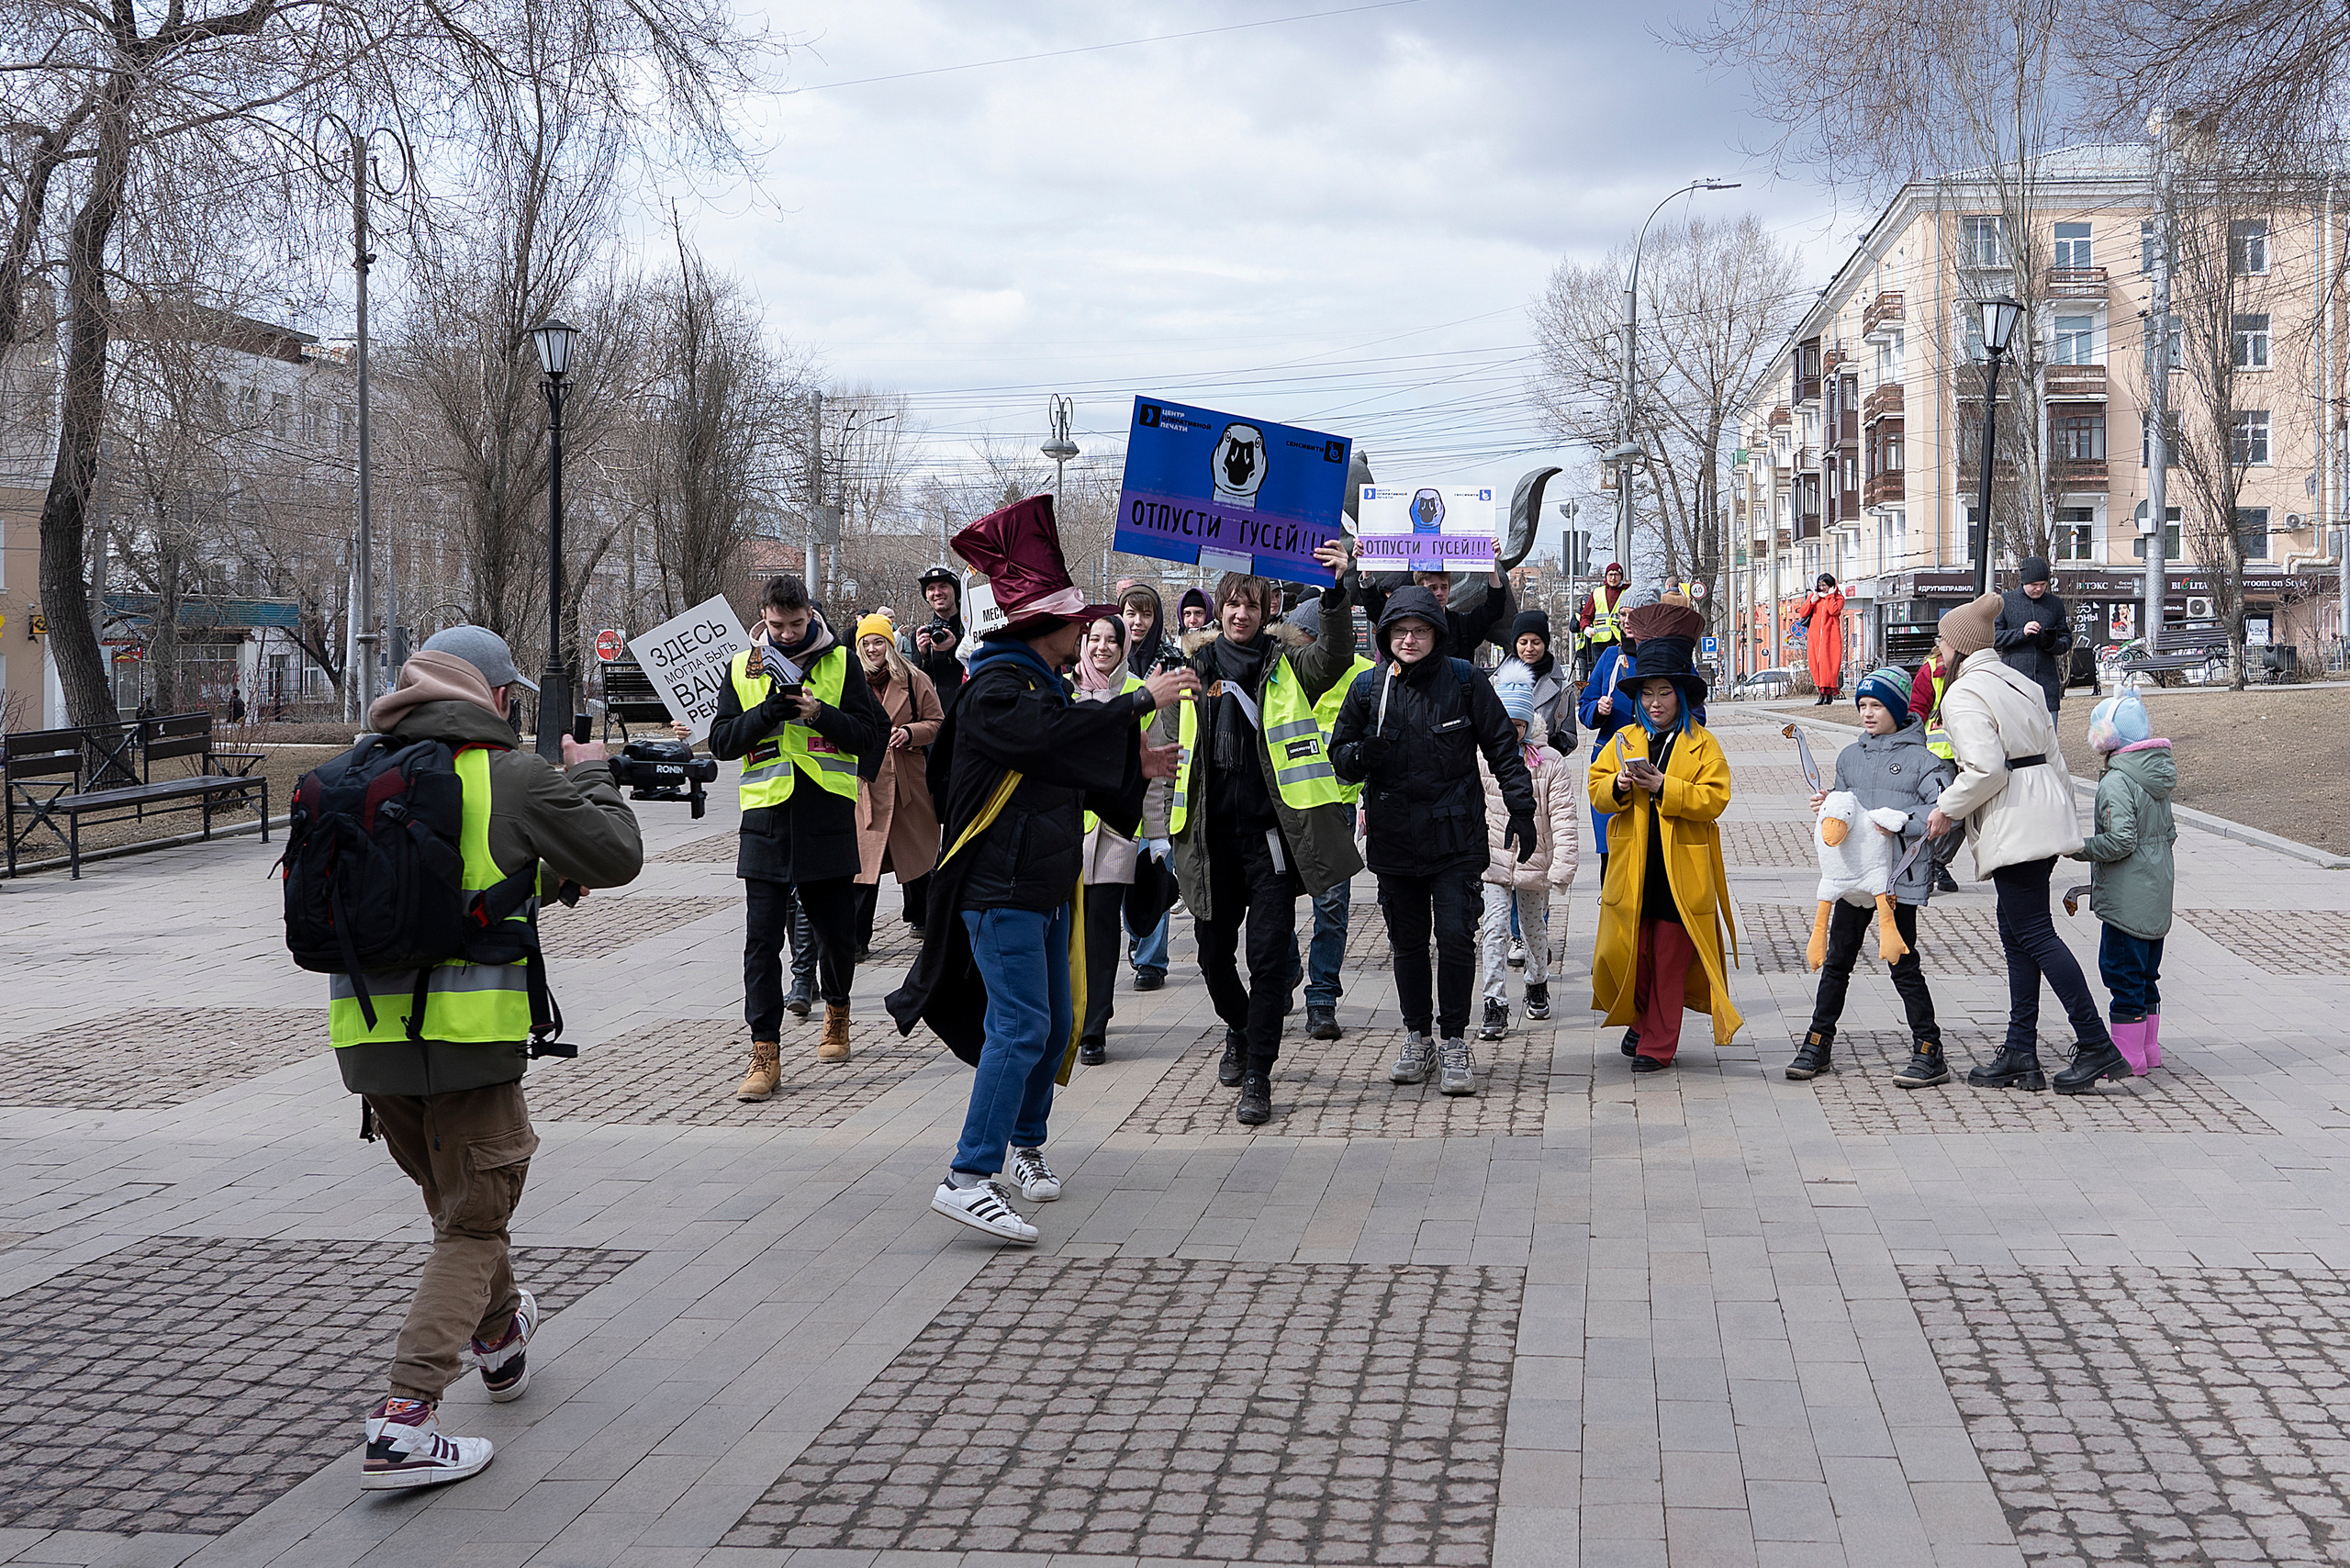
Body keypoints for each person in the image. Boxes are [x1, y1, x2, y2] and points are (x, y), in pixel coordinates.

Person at [337, 626, 643, 1489]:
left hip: (369, 1047)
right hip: (469, 1043)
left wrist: (536, 878)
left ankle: (502, 1340)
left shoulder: (359, 769)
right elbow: (618, 855)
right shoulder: (511, 773)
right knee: (473, 1223)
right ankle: (406, 1420)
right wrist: (592, 772)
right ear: (498, 697)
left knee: (462, 1207)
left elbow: (446, 884)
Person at [887, 496, 1191, 1244]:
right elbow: (1050, 738)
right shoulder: (998, 688)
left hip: (1043, 885)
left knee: (1055, 1029)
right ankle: (967, 1178)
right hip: (1000, 889)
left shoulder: (1038, 686)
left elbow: (1061, 765)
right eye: (1075, 623)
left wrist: (1137, 766)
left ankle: (1023, 1147)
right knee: (1021, 1027)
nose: (1084, 633)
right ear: (1042, 626)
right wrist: (1136, 705)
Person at [1156, 541, 1363, 1125]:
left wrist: (1336, 591)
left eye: (1252, 604)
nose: (1241, 614)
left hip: (1271, 840)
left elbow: (1335, 656)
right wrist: (1159, 835)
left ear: (1267, 609)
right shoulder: (1191, 671)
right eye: (1232, 604)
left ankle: (1258, 1073)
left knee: (1269, 960)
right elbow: (1167, 756)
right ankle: (1241, 1028)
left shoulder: (1288, 662)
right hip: (1209, 843)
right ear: (1218, 609)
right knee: (1213, 959)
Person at [1331, 586, 1533, 1094]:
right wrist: (1361, 756)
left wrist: (1522, 809)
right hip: (1394, 839)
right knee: (1407, 943)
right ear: (1386, 635)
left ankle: (1454, 1041)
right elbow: (1339, 752)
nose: (1410, 640)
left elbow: (1502, 747)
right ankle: (1417, 1037)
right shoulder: (1368, 688)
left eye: (1420, 631)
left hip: (1455, 837)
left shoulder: (1464, 681)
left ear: (1436, 634)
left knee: (1456, 937)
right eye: (1400, 631)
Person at [1924, 592, 2125, 1092]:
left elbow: (1986, 769)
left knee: (2033, 934)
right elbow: (2056, 762)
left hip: (2014, 820)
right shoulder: (2022, 682)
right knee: (2018, 934)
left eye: (1943, 642)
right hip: (2043, 814)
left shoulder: (1963, 694)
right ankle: (2020, 1050)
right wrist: (2064, 823)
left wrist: (1946, 808)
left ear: (1960, 646)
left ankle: (2095, 1043)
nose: (1939, 651)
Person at [711, 575, 889, 1098]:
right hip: (765, 820)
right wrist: (767, 711)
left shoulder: (842, 662)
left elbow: (868, 736)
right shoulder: (742, 666)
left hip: (825, 817)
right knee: (761, 942)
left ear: (811, 614)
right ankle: (764, 1051)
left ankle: (837, 1010)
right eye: (777, 625)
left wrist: (819, 713)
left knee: (837, 933)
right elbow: (721, 742)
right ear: (763, 617)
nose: (787, 634)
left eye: (795, 623)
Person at [1586, 600, 1740, 1073]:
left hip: (1680, 871)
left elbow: (1715, 798)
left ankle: (1658, 1043)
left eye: (1665, 693)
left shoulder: (1702, 743)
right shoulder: (1624, 740)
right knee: (1629, 952)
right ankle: (1640, 1019)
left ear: (1681, 696)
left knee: (1670, 959)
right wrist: (1619, 784)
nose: (1655, 703)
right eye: (1648, 693)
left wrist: (1664, 788)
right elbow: (1596, 789)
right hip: (1633, 866)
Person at [1785, 667, 1956, 1087]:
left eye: (1876, 705)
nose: (1867, 713)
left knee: (1902, 963)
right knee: (1837, 961)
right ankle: (1817, 1043)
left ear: (1896, 709)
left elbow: (1944, 810)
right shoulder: (1850, 757)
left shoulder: (1924, 760)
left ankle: (1929, 1049)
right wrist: (1829, 804)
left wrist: (1900, 821)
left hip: (1895, 881)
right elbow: (1846, 807)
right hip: (1853, 879)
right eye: (1862, 705)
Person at [1282, 595, 1376, 1039]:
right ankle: (1284, 972)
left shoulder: (1363, 675)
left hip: (1337, 806)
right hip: (1287, 806)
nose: (1293, 649)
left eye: (1300, 640)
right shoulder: (1281, 672)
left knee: (1332, 906)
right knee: (1275, 903)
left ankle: (1321, 999)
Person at [2071, 689, 2177, 1076]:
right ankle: (2149, 1048)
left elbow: (2120, 841)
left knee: (2121, 973)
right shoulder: (2155, 775)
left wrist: (2077, 847)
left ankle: (2127, 1055)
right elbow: (2168, 833)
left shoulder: (2118, 781)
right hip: (2154, 892)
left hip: (2126, 901)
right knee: (2147, 975)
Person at [1474, 674, 1577, 1041]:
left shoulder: (1549, 763)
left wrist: (1563, 865)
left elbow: (1563, 816)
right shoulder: (1483, 758)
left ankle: (1537, 982)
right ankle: (1494, 1001)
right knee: (1495, 928)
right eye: (1506, 724)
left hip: (1535, 862)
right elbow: (1474, 807)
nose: (1513, 732)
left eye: (1519, 725)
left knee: (1533, 929)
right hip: (1495, 861)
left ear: (1530, 724)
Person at [1073, 615, 1152, 1064]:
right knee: (1068, 931)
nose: (1102, 647)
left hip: (1117, 832)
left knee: (1101, 931)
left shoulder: (1140, 693)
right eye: (1095, 639)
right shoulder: (1064, 689)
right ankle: (1070, 1014)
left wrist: (1157, 836)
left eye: (1111, 641)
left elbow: (1155, 769)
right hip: (1067, 832)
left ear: (1124, 648)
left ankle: (1094, 1027)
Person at [852, 615, 945, 953]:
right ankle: (856, 940)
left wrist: (909, 732)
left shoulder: (914, 679)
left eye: (878, 642)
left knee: (916, 856)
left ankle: (925, 920)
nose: (872, 649)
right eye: (866, 643)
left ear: (890, 645)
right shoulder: (850, 681)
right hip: (866, 782)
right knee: (864, 867)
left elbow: (937, 722)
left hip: (909, 781)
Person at [1117, 582, 1182, 992]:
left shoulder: (1175, 663)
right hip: (1117, 788)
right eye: (1130, 613)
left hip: (1162, 781)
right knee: (1121, 878)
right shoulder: (1105, 661)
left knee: (1154, 873)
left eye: (1146, 614)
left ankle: (1151, 961)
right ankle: (1136, 932)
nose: (1138, 622)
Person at [1354, 565, 1516, 663]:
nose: (1439, 593)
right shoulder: (1402, 623)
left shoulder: (1462, 626)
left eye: (1444, 587)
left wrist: (1492, 570)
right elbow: (1374, 609)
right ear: (1420, 589)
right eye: (1433, 588)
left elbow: (1493, 610)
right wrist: (1366, 569)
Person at [1908, 644, 1964, 894]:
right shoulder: (1931, 670)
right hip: (1939, 753)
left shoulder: (1975, 667)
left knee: (1967, 815)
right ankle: (1929, 862)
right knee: (1948, 812)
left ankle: (1937, 862)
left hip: (1970, 751)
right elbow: (1916, 712)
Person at [1996, 555, 2074, 716]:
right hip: (2014, 683)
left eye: (2043, 584)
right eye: (2034, 585)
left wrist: (2051, 643)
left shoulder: (2055, 604)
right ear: (2023, 582)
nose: (2039, 589)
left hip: (2047, 686)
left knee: (2049, 731)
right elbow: (1994, 637)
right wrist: (2021, 633)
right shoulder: (2005, 602)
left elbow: (2066, 640)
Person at [1496, 609, 1577, 752]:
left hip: (1545, 761)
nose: (1529, 648)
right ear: (1515, 644)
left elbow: (1570, 737)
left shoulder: (1564, 688)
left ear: (1545, 644)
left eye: (1536, 642)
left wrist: (1554, 744)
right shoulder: (1496, 683)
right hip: (1503, 760)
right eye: (1523, 642)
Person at [904, 564, 968, 704]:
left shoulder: (972, 627)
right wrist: (921, 655)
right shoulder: (921, 636)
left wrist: (957, 645)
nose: (937, 593)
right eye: (931, 589)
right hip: (938, 711)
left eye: (943, 586)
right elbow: (914, 683)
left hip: (972, 706)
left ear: (955, 591)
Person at [1796, 573, 1848, 704]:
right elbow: (1803, 612)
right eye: (1820, 585)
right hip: (1815, 637)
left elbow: (1833, 611)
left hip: (1830, 637)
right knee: (1816, 665)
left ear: (1831, 586)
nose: (1821, 588)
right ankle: (1822, 691)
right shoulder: (1815, 597)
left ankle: (1826, 693)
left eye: (1824, 585)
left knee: (1828, 665)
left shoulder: (1839, 598)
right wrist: (1812, 602)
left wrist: (1830, 596)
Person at [1575, 563, 1630, 683]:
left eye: (1616, 575)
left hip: (1619, 641)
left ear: (1621, 576)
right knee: (1599, 675)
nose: (1613, 578)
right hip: (1599, 642)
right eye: (1610, 575)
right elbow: (1585, 615)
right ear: (1606, 576)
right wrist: (1586, 628)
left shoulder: (1627, 592)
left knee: (1620, 674)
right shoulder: (1597, 593)